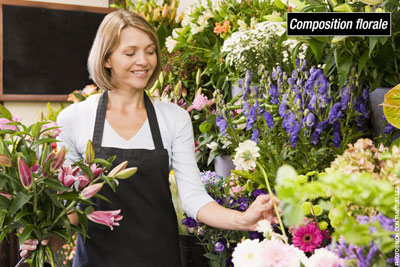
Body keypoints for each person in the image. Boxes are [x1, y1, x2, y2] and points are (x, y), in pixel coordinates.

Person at [20, 9, 279, 267]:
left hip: (158, 257)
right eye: (130, 53)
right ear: (106, 58)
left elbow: (193, 198)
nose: (143, 61)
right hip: (95, 260)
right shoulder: (74, 118)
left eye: (150, 51)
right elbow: (75, 204)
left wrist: (243, 219)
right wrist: (48, 237)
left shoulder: (174, 118)